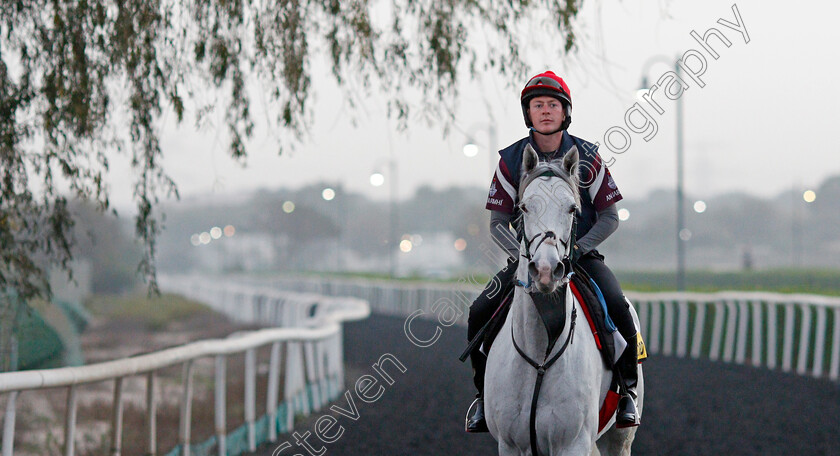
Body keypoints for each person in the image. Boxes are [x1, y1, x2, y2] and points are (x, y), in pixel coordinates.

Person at [465, 71, 640, 432]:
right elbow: (498, 223)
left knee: (618, 306)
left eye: (553, 105)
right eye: (538, 105)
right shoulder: (510, 160)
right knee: (478, 310)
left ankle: (626, 393)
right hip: (527, 260)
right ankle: (483, 398)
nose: (545, 111)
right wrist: (523, 255)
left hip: (580, 256)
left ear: (565, 112)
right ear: (528, 113)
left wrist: (577, 248)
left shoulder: (589, 157)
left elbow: (609, 217)